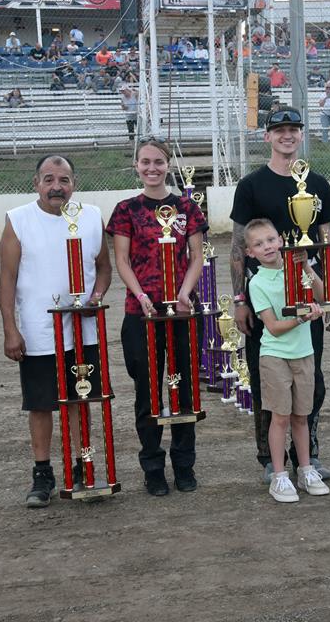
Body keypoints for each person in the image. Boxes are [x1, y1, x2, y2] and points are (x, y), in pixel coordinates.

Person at [230, 106, 330, 484]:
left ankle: (308, 454)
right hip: (268, 297)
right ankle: (269, 457)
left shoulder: (319, 184)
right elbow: (236, 246)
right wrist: (240, 300)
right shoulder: (251, 186)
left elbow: (326, 242)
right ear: (267, 136)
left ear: (301, 135)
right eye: (279, 130)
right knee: (269, 381)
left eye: (293, 129)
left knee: (310, 377)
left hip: (308, 291)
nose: (287, 135)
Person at [0, 156, 111, 507]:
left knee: (81, 398)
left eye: (64, 179)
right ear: (36, 184)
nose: (56, 186)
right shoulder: (18, 220)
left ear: (74, 183)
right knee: (41, 404)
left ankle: (83, 466)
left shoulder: (90, 216)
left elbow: (103, 267)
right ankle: (43, 473)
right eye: (49, 179)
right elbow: (6, 279)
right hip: (37, 329)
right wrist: (10, 329)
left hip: (83, 327)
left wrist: (96, 295)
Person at [106, 139, 207, 496]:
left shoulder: (186, 208)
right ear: (136, 165)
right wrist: (141, 295)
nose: (152, 168)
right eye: (146, 162)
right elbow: (122, 260)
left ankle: (184, 464)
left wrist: (184, 292)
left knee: (182, 387)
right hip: (142, 314)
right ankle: (152, 467)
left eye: (159, 162)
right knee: (147, 392)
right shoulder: (126, 209)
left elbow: (196, 256)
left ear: (169, 165)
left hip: (181, 312)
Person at [245, 220, 330, 503]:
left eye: (270, 239)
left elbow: (322, 295)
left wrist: (306, 266)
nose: (267, 246)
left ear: (281, 240)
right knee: (280, 417)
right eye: (259, 244)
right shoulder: (256, 283)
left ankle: (305, 469)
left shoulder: (296, 269)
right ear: (250, 252)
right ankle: (279, 476)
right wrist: (301, 318)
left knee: (301, 417)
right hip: (275, 356)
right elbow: (272, 327)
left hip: (304, 353)